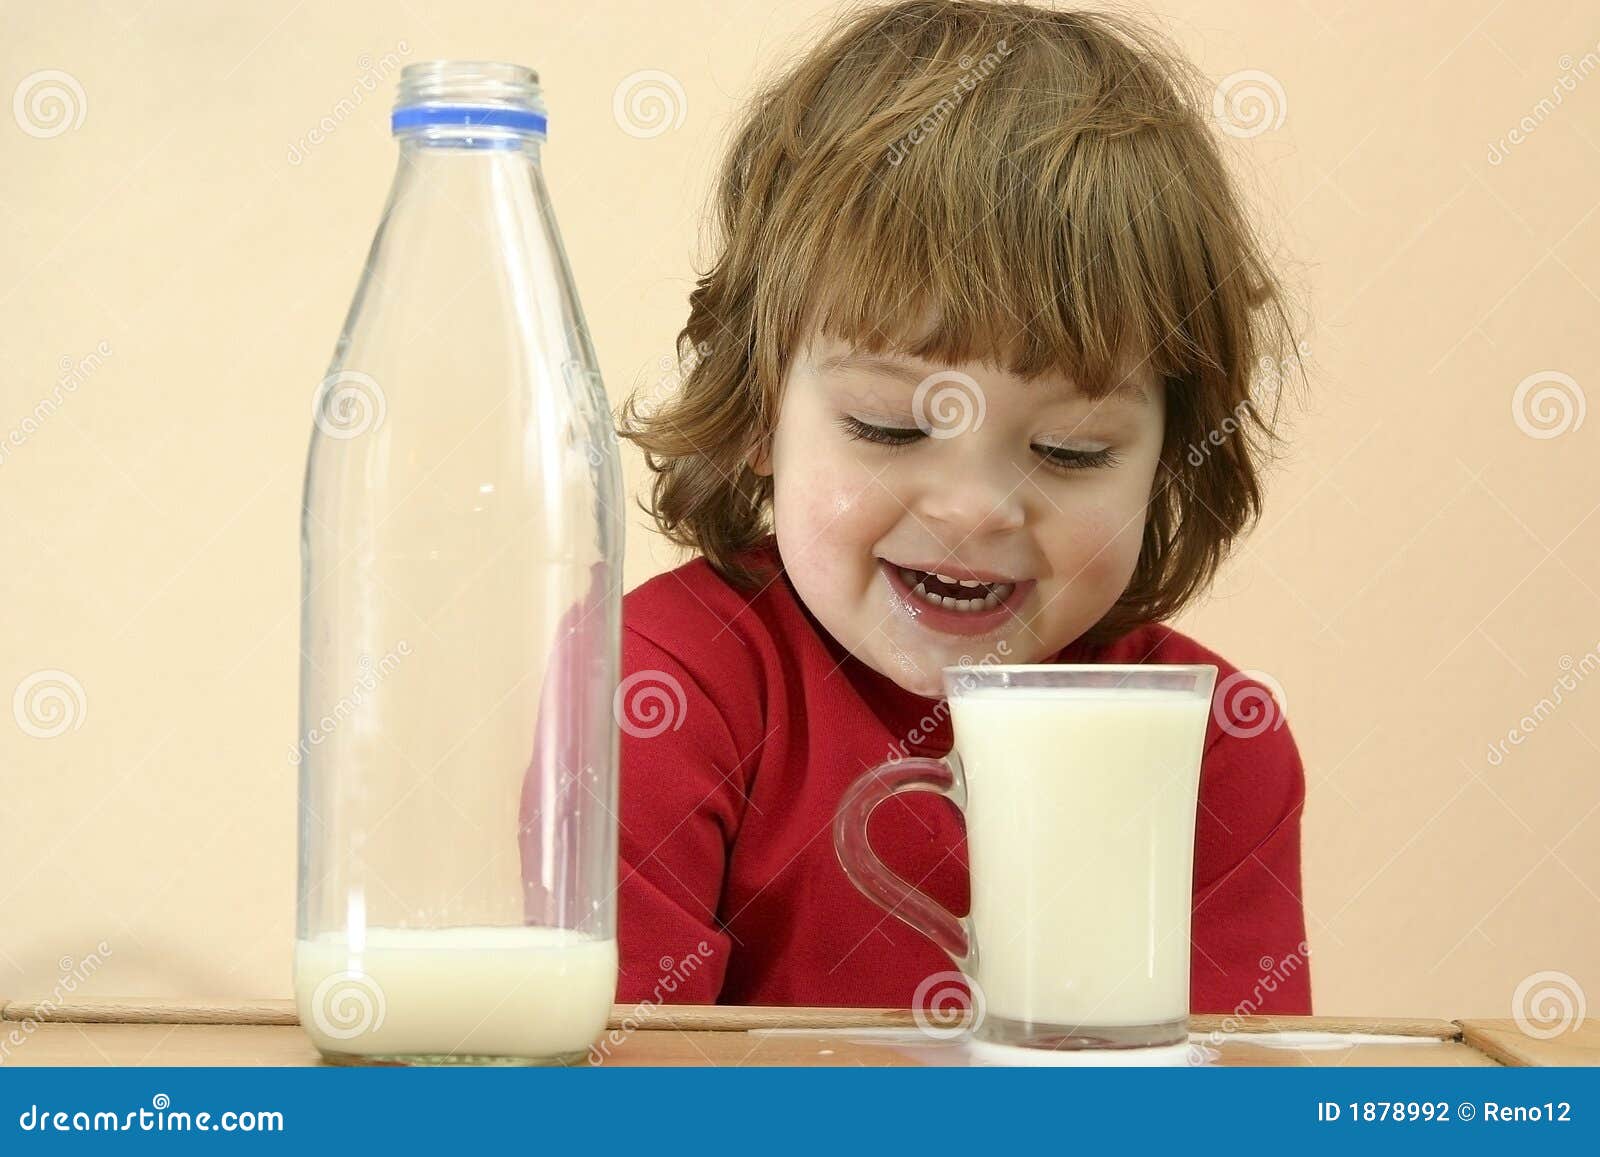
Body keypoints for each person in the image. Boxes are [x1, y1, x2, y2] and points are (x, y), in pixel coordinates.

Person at [611, 0, 1312, 1015]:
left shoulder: (1211, 743)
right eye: (890, 427)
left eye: (1068, 451)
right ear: (760, 412)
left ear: (1167, 463)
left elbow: (1252, 1105)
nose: (977, 509)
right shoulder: (665, 690)